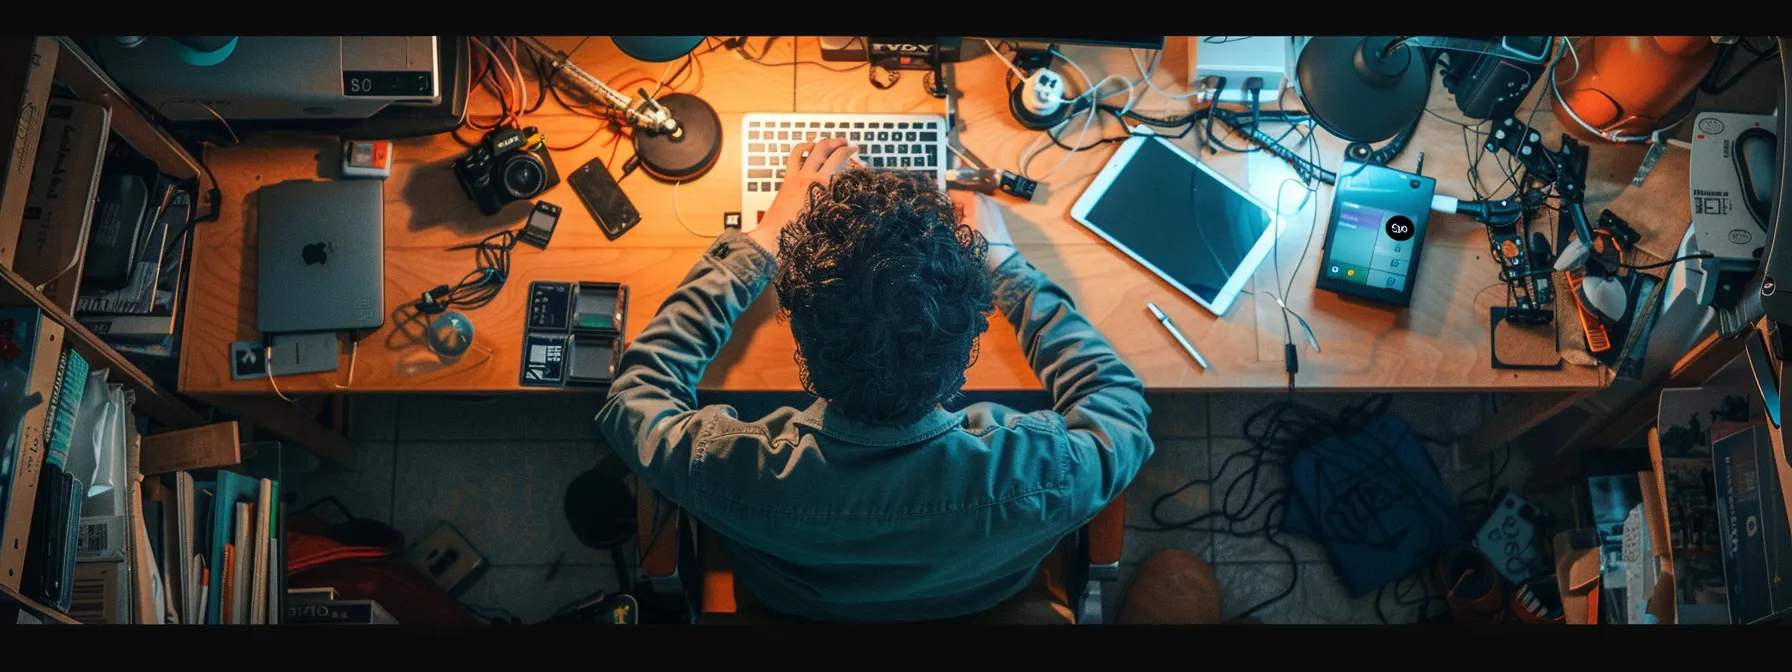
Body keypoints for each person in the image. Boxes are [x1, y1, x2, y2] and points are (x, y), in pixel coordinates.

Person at [596, 138, 1154, 623]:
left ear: (802, 339)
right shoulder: (1044, 473)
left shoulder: (726, 468)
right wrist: (1008, 269)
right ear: (967, 344)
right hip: (972, 603)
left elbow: (633, 397)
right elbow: (1117, 401)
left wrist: (760, 243)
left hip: (797, 607)